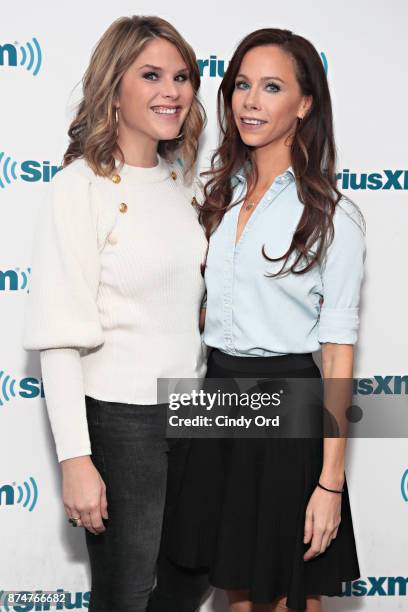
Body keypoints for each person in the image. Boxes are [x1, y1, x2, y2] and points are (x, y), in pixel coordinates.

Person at [149, 28, 366, 612]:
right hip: (217, 395)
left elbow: (339, 356)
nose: (250, 101)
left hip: (288, 400)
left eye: (271, 87)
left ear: (305, 104)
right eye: (242, 84)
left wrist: (329, 484)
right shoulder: (217, 194)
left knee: (289, 594)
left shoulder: (332, 216)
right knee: (236, 592)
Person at [22, 15, 207, 612]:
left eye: (181, 77)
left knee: (192, 576)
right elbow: (57, 336)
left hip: (197, 410)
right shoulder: (81, 187)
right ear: (113, 87)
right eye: (151, 74)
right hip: (123, 420)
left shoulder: (186, 185)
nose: (172, 91)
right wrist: (76, 459)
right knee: (126, 595)